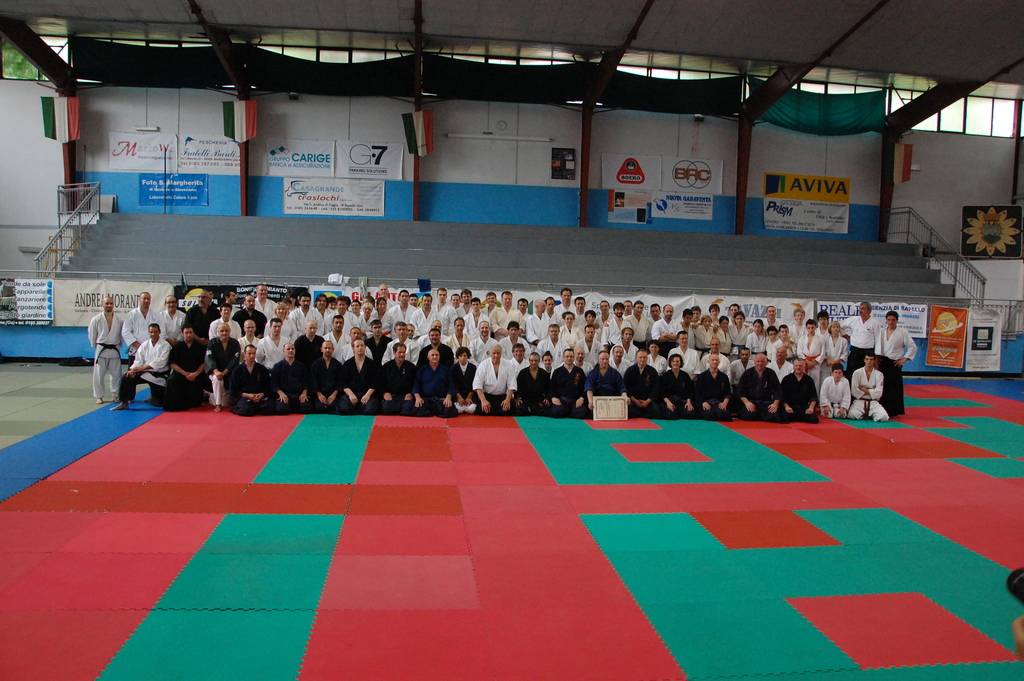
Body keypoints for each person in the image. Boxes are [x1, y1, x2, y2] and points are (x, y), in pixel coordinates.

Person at [111, 323, 170, 410]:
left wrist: (144, 368)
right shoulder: (144, 345)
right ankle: (124, 403)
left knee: (159, 403)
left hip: (159, 375)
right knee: (127, 377)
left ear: (159, 332)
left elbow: (162, 362)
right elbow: (138, 360)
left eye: (155, 332)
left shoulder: (165, 345)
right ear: (148, 332)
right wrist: (132, 370)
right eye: (151, 332)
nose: (153, 334)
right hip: (144, 373)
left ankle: (151, 398)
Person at [876, 310, 917, 417]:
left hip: (894, 363)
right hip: (882, 362)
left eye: (893, 320)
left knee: (894, 388)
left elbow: (912, 346)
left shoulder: (902, 333)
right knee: (882, 386)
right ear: (886, 320)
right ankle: (881, 409)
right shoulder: (881, 331)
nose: (891, 322)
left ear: (897, 321)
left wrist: (905, 359)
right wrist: (877, 358)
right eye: (889, 320)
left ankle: (893, 410)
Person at [163, 325, 207, 412]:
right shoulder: (177, 347)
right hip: (181, 373)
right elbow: (172, 364)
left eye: (191, 332)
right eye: (186, 333)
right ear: (182, 334)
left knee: (195, 403)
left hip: (196, 374)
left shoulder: (200, 347)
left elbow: (204, 363)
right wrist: (185, 373)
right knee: (171, 380)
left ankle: (204, 395)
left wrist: (195, 374)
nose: (189, 335)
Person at [88, 295, 124, 404]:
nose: (109, 305)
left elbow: (121, 334)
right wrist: (94, 344)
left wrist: (120, 344)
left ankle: (115, 395)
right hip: (101, 349)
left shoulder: (119, 320)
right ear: (102, 304)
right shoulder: (96, 319)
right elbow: (92, 334)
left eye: (111, 303)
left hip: (114, 349)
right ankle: (99, 396)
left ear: (113, 305)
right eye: (107, 303)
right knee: (99, 376)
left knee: (116, 375)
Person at [736, 352, 784, 422]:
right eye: (758, 361)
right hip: (751, 402)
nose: (760, 363)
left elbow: (778, 390)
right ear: (754, 362)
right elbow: (740, 390)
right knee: (749, 415)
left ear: (766, 362)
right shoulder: (748, 373)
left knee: (774, 416)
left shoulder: (771, 373)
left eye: (762, 361)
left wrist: (775, 404)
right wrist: (747, 403)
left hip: (766, 403)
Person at [409, 348, 458, 417]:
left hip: (441, 400)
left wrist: (448, 398)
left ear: (439, 357)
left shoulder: (445, 370)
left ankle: (433, 411)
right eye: (432, 355)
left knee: (450, 411)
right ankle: (434, 411)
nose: (435, 357)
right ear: (428, 357)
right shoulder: (422, 370)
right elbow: (416, 385)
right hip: (426, 399)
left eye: (437, 355)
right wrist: (417, 398)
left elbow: (450, 385)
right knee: (417, 409)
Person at [230, 345, 275, 416]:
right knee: (246, 410)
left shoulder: (261, 368)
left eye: (254, 353)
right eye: (249, 353)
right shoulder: (237, 370)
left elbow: (268, 385)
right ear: (244, 354)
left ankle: (255, 407)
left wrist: (262, 394)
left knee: (270, 408)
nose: (252, 356)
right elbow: (233, 389)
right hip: (245, 398)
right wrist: (247, 395)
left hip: (259, 397)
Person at [206, 322, 241, 412]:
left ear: (230, 331)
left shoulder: (235, 343)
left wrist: (224, 372)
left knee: (226, 402)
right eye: (222, 331)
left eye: (226, 331)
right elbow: (209, 358)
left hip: (229, 372)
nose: (224, 333)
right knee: (217, 379)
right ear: (218, 332)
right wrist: (216, 371)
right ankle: (218, 404)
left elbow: (234, 360)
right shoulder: (212, 342)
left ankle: (211, 396)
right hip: (215, 372)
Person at [339, 338, 379, 415]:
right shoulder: (347, 364)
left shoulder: (371, 364)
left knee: (371, 409)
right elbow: (343, 382)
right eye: (357, 346)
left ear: (365, 347)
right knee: (344, 408)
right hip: (352, 394)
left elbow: (375, 382)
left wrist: (367, 395)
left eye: (362, 346)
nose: (360, 348)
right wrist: (351, 395)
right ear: (353, 348)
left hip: (366, 393)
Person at [474, 345, 517, 415]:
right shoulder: (483, 365)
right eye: (494, 353)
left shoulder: (508, 364)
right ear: (489, 353)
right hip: (487, 396)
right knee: (483, 409)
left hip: (502, 397)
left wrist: (507, 400)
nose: (496, 356)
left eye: (498, 353)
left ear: (501, 353)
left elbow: (512, 384)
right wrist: (483, 401)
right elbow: (478, 384)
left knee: (508, 409)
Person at [842, 302, 882, 376]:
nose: (860, 310)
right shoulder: (854, 320)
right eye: (860, 308)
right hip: (855, 351)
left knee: (866, 374)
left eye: (863, 308)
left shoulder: (874, 323)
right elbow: (840, 326)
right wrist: (846, 336)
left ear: (869, 311)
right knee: (851, 373)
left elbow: (878, 339)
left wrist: (876, 357)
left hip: (868, 352)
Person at [378, 342, 417, 415]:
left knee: (407, 410)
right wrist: (385, 393)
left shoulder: (411, 367)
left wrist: (411, 394)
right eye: (400, 352)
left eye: (404, 352)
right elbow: (380, 382)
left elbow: (416, 383)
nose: (402, 355)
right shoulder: (387, 366)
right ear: (394, 353)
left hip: (405, 396)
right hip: (391, 395)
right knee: (386, 409)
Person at [271, 343, 310, 415]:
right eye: (288, 349)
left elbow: (306, 381)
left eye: (293, 349)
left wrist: (304, 393)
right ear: (283, 351)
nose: (291, 351)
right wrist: (281, 394)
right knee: (281, 409)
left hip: (298, 395)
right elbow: (274, 383)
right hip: (284, 395)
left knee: (307, 408)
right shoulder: (277, 366)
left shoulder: (301, 366)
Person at [623, 349, 663, 419]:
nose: (642, 359)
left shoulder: (652, 371)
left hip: (647, 401)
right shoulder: (630, 370)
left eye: (644, 357)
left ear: (647, 358)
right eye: (640, 357)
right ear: (636, 358)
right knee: (628, 412)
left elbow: (655, 388)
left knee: (657, 412)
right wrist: (635, 400)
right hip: (634, 400)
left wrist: (647, 401)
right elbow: (627, 387)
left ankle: (640, 413)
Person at [549, 348, 588, 419]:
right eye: (567, 356)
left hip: (575, 400)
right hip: (561, 400)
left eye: (571, 356)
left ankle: (569, 411)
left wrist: (581, 398)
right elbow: (552, 387)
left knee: (582, 413)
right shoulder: (557, 371)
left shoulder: (579, 371)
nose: (569, 358)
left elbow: (584, 387)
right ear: (563, 357)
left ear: (574, 357)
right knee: (556, 412)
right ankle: (568, 412)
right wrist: (554, 398)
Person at [848, 352, 888, 422]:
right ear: (864, 360)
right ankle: (868, 414)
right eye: (867, 359)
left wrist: (863, 389)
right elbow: (854, 391)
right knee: (852, 415)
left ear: (874, 361)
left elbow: (879, 393)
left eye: (871, 359)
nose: (869, 361)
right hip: (859, 401)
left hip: (873, 402)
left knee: (883, 417)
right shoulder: (857, 373)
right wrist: (872, 390)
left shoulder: (879, 374)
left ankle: (870, 414)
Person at [585, 350, 627, 414]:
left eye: (607, 359)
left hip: (612, 399)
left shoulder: (615, 373)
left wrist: (625, 397)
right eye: (602, 359)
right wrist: (590, 401)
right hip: (597, 400)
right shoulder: (592, 373)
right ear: (598, 360)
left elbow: (621, 388)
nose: (605, 361)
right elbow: (589, 389)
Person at [310, 341, 345, 414]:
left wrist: (334, 395)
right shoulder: (315, 364)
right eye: (325, 348)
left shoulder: (338, 364)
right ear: (321, 349)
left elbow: (340, 381)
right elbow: (313, 381)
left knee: (333, 406)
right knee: (319, 408)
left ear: (333, 349)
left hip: (333, 393)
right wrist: (319, 394)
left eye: (329, 348)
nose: (327, 350)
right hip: (320, 393)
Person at [660, 353, 698, 420]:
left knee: (691, 414)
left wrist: (688, 402)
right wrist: (668, 403)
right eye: (673, 361)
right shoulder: (666, 375)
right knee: (671, 414)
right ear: (670, 363)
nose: (675, 363)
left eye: (677, 361)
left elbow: (689, 390)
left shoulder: (685, 375)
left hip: (681, 401)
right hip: (669, 400)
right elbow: (662, 391)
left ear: (680, 363)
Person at [694, 355, 732, 421]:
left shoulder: (724, 376)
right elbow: (697, 393)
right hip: (707, 402)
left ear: (719, 362)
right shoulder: (702, 376)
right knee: (708, 415)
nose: (714, 362)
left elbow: (728, 392)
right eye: (713, 360)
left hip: (719, 402)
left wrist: (725, 402)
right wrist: (703, 403)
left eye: (716, 360)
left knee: (723, 415)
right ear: (708, 362)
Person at [781, 358, 819, 424]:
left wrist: (811, 408)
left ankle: (797, 417)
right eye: (796, 365)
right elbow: (782, 395)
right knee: (782, 417)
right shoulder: (787, 379)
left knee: (814, 419)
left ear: (804, 367)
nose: (798, 367)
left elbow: (813, 396)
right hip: (790, 407)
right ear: (793, 366)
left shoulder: (809, 380)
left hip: (803, 408)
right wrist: (787, 407)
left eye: (800, 366)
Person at [123, 291, 158, 359]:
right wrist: (137, 345)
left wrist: (154, 345)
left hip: (152, 349)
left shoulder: (156, 315)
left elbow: (162, 331)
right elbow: (125, 331)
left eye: (148, 299)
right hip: (135, 349)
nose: (146, 301)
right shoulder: (131, 314)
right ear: (139, 299)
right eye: (144, 298)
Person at [798, 319, 826, 391]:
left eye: (812, 327)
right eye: (809, 328)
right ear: (806, 328)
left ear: (816, 327)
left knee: (815, 382)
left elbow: (823, 353)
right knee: (803, 382)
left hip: (815, 364)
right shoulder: (802, 339)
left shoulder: (820, 339)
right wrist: (807, 361)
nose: (811, 330)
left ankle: (815, 397)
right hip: (805, 364)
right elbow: (799, 352)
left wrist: (814, 362)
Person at [451, 347, 478, 414]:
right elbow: (453, 384)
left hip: (470, 395)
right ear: (458, 357)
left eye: (465, 356)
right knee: (458, 409)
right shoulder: (453, 368)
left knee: (472, 409)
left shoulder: (473, 368)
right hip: (458, 396)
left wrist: (469, 397)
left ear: (468, 356)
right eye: (461, 356)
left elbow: (475, 383)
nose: (463, 358)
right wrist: (459, 397)